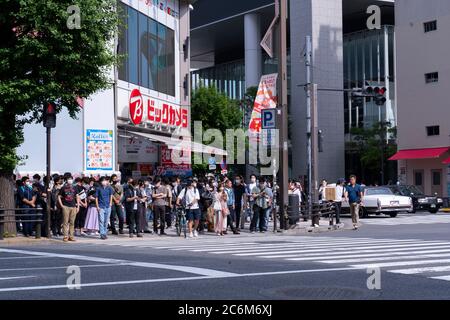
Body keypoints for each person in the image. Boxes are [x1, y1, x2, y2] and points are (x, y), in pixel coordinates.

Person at [58, 175, 80, 242]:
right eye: (68, 179)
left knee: (72, 222)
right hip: (66, 206)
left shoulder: (75, 188)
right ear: (66, 180)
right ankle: (65, 236)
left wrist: (78, 206)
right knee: (65, 222)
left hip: (73, 206)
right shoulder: (63, 188)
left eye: (71, 179)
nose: (70, 180)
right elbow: (59, 196)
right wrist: (62, 205)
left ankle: (71, 236)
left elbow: (77, 197)